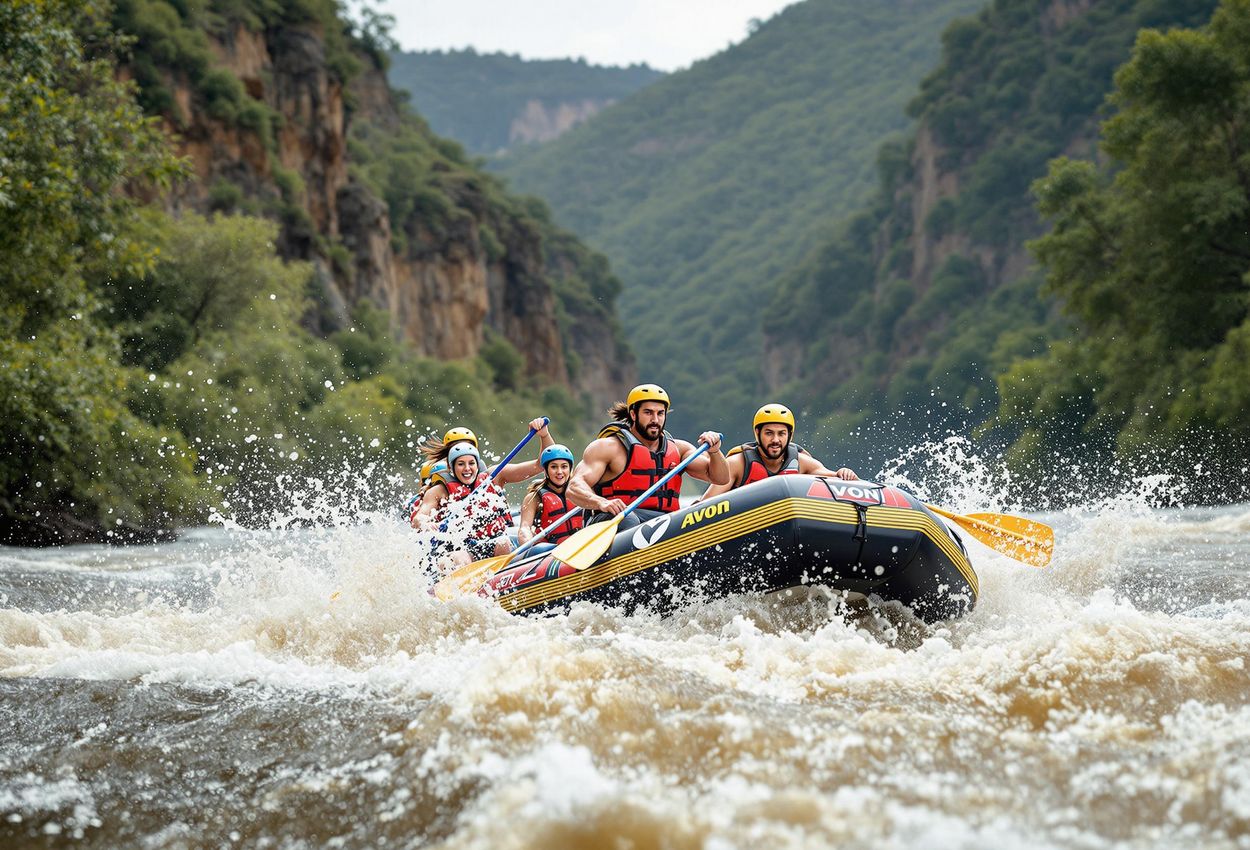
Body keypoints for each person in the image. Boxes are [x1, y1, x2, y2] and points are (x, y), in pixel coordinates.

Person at [567, 383, 730, 530]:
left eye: (660, 413)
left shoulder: (680, 449)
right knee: (627, 519)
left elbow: (720, 478)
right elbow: (574, 487)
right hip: (616, 520)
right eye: (648, 413)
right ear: (633, 414)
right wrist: (601, 502)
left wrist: (715, 452)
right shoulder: (608, 447)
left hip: (664, 521)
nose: (655, 420)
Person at [697, 403, 856, 502]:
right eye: (769, 433)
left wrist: (843, 474)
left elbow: (831, 477)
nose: (775, 440)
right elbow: (706, 504)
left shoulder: (802, 462)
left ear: (789, 436)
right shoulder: (739, 463)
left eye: (781, 434)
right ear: (757, 433)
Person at [518, 444, 585, 546]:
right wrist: (527, 543)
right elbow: (525, 527)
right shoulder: (534, 498)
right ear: (546, 470)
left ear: (570, 468)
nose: (559, 472)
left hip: (581, 547)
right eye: (554, 467)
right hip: (550, 552)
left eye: (564, 466)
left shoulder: (580, 491)